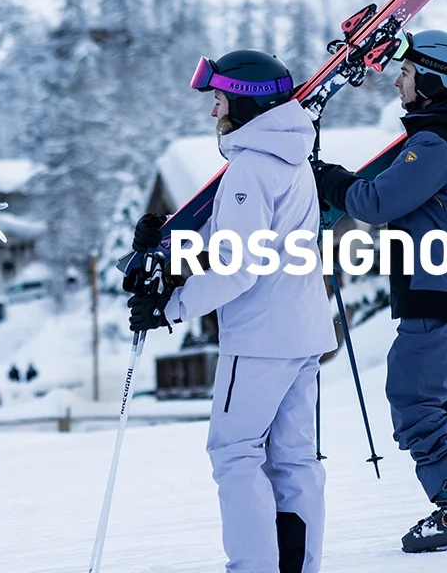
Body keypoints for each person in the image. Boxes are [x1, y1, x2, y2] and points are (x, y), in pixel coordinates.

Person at [128, 50, 337, 573]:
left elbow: (237, 266)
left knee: (235, 453)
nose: (213, 111)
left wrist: (172, 307)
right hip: (304, 330)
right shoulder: (292, 160)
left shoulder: (249, 169)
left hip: (260, 338)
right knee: (294, 460)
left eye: (219, 100)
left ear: (246, 102)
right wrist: (168, 246)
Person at [310, 29, 447, 553]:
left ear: (434, 82)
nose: (398, 82)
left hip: (439, 283)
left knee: (414, 395)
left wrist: (326, 178)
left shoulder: (437, 142)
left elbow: (376, 203)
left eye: (407, 73)